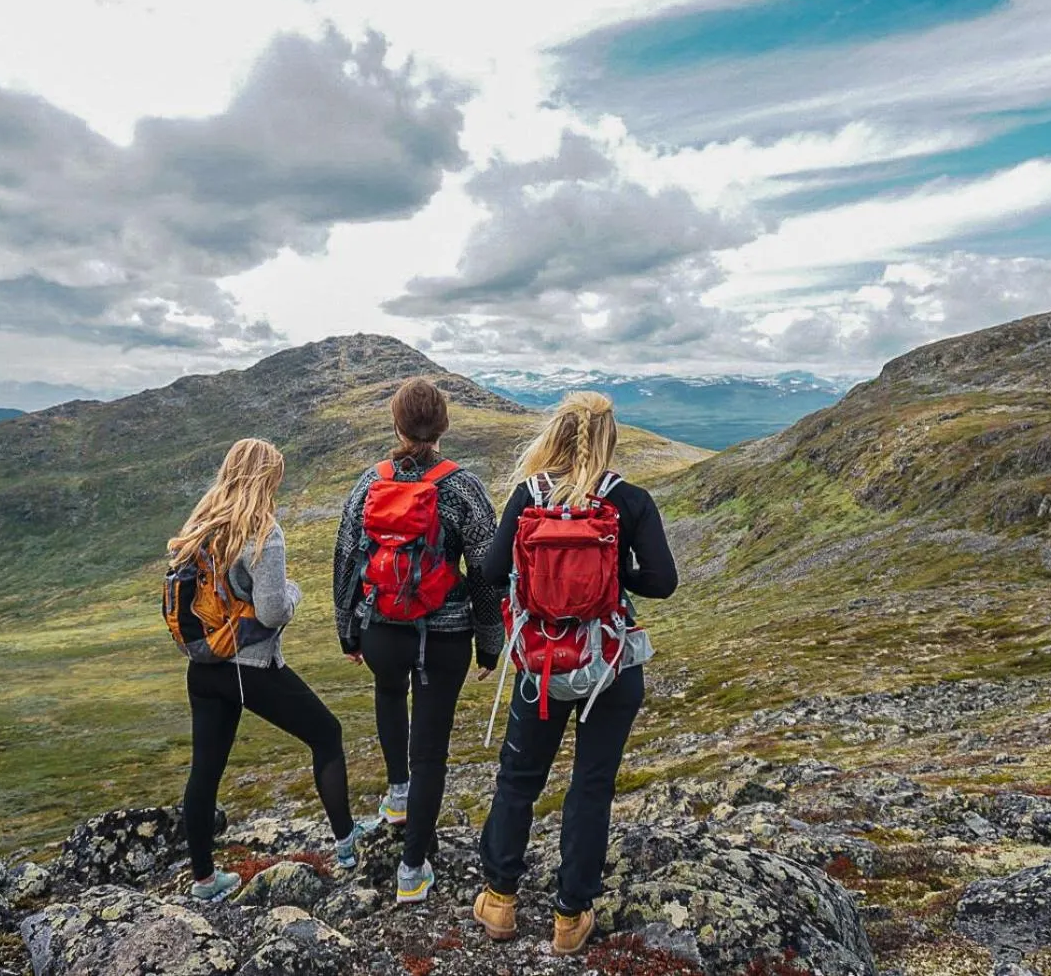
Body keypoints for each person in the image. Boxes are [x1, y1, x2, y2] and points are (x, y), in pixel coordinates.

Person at [470, 392, 678, 955]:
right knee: (591, 784)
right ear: (609, 438)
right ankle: (570, 915)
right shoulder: (630, 500)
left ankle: (500, 900)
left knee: (519, 779)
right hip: (609, 664)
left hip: (541, 665)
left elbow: (492, 571)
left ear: (556, 434)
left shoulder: (528, 495)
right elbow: (663, 581)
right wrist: (614, 573)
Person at [172, 437, 369, 902]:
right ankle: (347, 845)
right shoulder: (262, 532)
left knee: (205, 772)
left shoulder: (199, 527)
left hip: (204, 668)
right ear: (266, 480)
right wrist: (295, 592)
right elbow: (273, 610)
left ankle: (204, 881)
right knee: (327, 734)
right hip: (250, 668)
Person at [333, 377, 503, 905]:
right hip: (444, 637)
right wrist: (490, 642)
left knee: (388, 695)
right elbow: (486, 572)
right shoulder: (464, 487)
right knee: (431, 750)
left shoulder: (370, 482)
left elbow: (347, 560)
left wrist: (348, 630)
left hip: (382, 629)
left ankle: (397, 793)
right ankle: (412, 871)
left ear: (396, 424)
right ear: (444, 426)